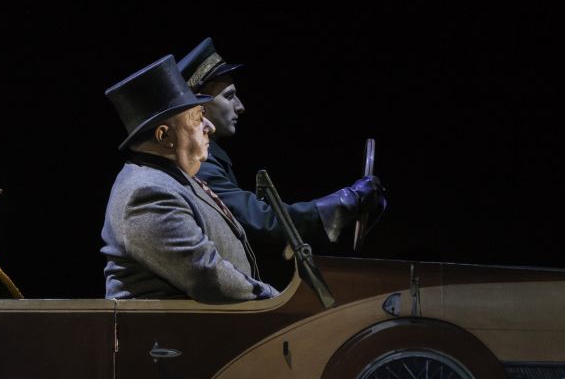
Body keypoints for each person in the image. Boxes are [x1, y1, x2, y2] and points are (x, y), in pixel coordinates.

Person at [177, 37, 385, 248]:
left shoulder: (210, 158)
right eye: (229, 96)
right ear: (200, 105)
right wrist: (347, 200)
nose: (240, 107)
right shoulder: (199, 164)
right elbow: (262, 221)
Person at [101, 55, 278, 302]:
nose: (209, 127)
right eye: (197, 117)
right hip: (175, 329)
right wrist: (277, 300)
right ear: (164, 136)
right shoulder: (146, 193)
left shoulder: (174, 177)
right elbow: (207, 277)